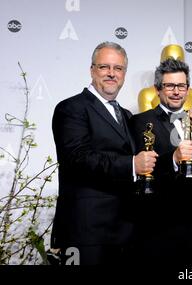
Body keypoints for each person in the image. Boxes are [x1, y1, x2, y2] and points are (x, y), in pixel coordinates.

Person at [51, 42, 157, 265]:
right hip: (86, 231)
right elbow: (77, 159)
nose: (111, 74)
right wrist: (131, 165)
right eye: (104, 67)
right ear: (92, 70)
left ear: (124, 74)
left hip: (127, 231)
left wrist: (190, 122)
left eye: (118, 68)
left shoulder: (127, 116)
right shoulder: (71, 108)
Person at [129, 58, 192, 266]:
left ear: (188, 89)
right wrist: (173, 159)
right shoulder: (139, 122)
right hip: (157, 226)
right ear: (158, 89)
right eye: (170, 86)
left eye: (181, 86)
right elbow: (140, 170)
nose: (176, 91)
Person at [138, 44, 192, 113]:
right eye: (169, 85)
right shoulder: (147, 95)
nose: (176, 92)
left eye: (179, 60)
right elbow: (147, 121)